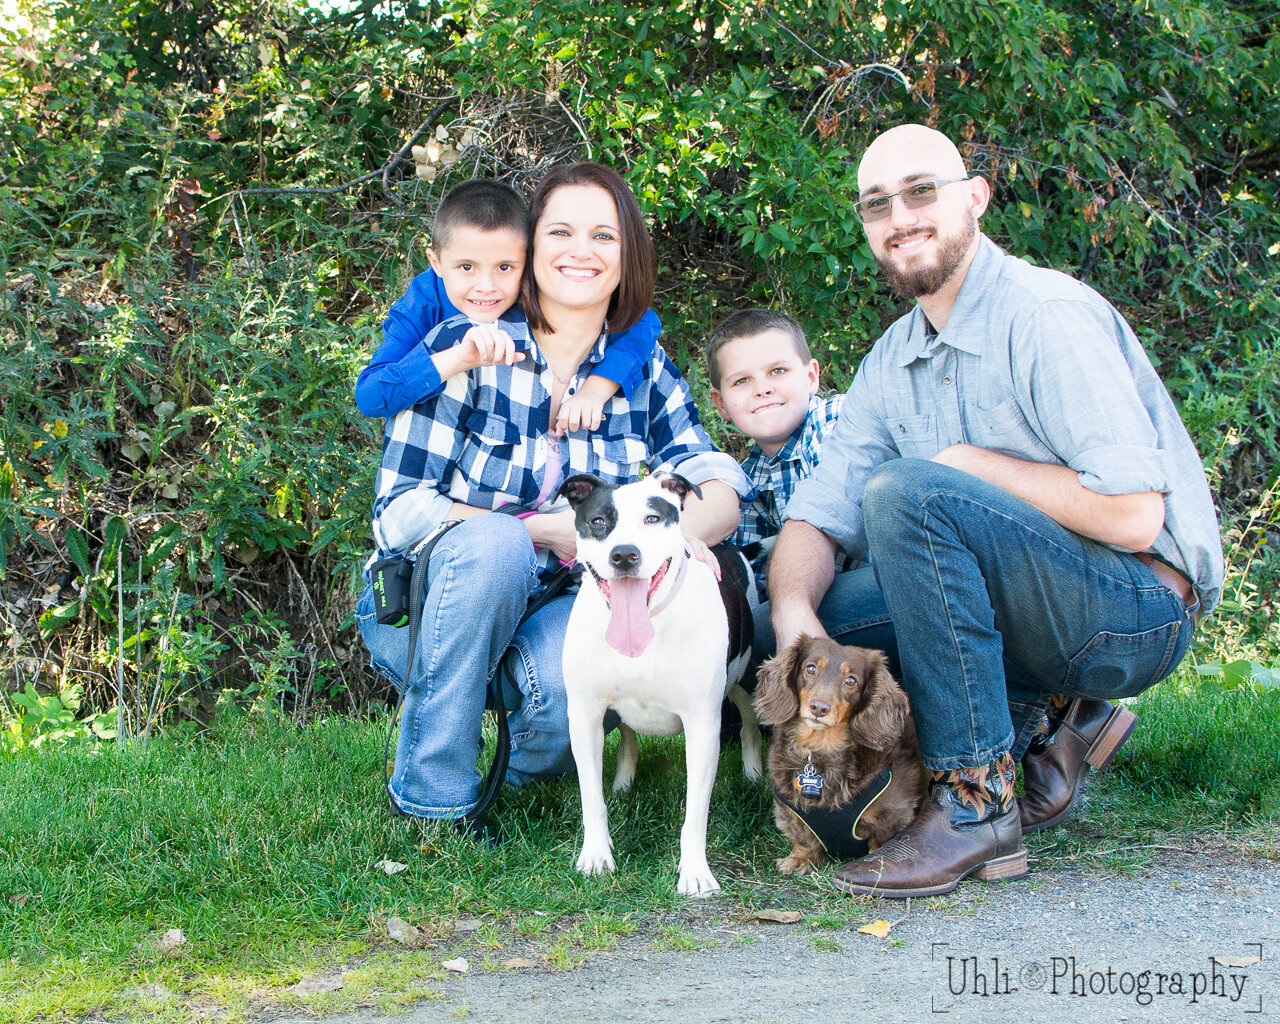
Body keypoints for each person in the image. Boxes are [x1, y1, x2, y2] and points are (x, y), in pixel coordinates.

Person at [767, 123, 1224, 898]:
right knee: (820, 603)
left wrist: (971, 467)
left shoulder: (1045, 316)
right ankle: (1043, 724)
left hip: (1135, 607)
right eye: (878, 203)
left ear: (974, 197)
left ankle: (977, 806)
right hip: (1029, 604)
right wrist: (792, 618)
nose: (900, 215)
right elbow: (817, 516)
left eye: (921, 191)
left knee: (909, 495)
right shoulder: (892, 361)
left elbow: (1135, 519)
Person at [355, 162, 750, 838]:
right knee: (496, 542)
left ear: (628, 255)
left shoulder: (641, 367)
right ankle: (434, 802)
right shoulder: (467, 345)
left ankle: (505, 757)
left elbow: (717, 483)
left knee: (560, 699)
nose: (581, 251)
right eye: (561, 231)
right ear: (531, 249)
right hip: (440, 602)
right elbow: (400, 510)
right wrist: (539, 530)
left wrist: (683, 535)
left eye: (604, 235)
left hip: (572, 603)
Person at [354, 178, 662, 435]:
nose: (486, 286)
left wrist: (596, 390)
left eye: (504, 267)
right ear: (436, 262)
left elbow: (643, 323)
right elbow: (371, 397)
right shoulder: (425, 299)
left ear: (528, 258)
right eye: (465, 267)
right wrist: (459, 356)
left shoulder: (534, 283)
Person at [704, 308, 844, 598]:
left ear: (811, 377)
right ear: (721, 403)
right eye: (742, 381)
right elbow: (752, 575)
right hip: (819, 599)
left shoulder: (835, 421)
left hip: (887, 584)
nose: (763, 389)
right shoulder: (749, 479)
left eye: (777, 371)